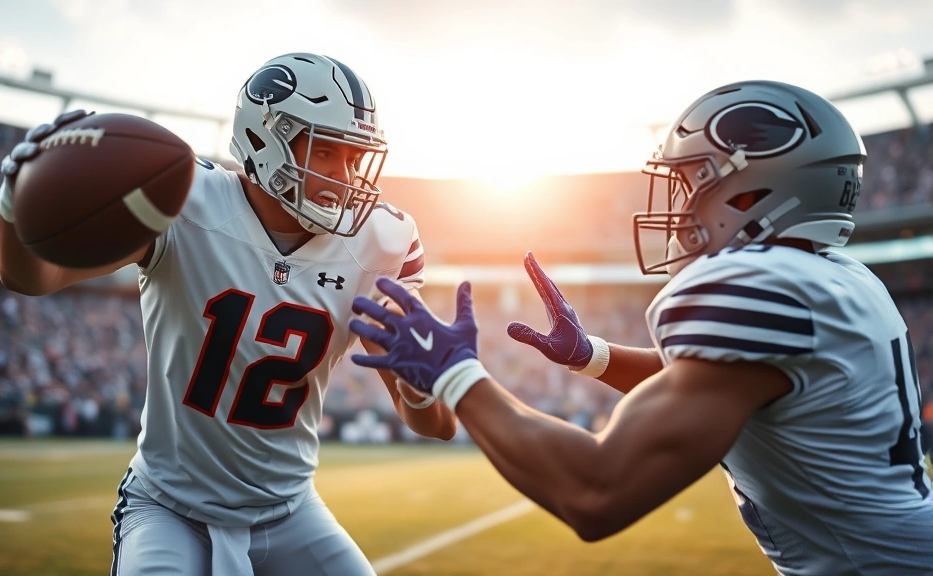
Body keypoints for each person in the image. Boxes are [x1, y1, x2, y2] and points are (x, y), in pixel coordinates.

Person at [349, 80, 933, 575]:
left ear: (753, 190)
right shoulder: (840, 279)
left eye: (692, 183)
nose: (679, 210)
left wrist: (455, 376)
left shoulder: (766, 288)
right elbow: (720, 382)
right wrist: (592, 356)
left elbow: (596, 491)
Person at [0, 53, 456, 576]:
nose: (346, 176)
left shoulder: (383, 242)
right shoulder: (185, 201)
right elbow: (32, 278)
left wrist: (422, 384)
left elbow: (434, 425)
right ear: (267, 138)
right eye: (327, 152)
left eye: (355, 158)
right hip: (169, 506)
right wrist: (16, 206)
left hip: (289, 510)